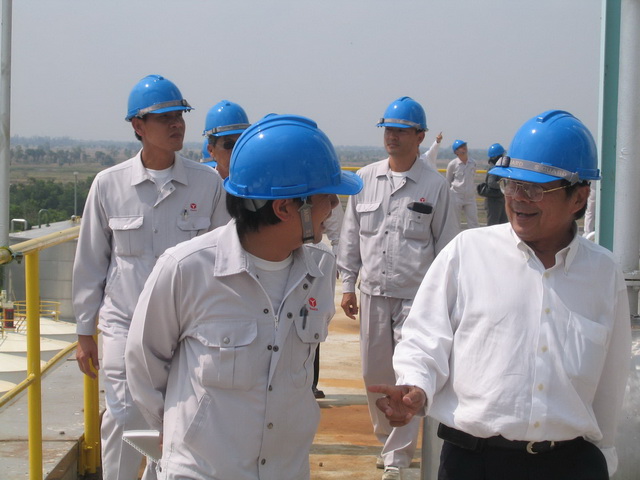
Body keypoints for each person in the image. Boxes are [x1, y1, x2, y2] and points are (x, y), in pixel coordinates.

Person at [371, 110, 631, 480]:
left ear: (578, 198)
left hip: (571, 463)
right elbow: (424, 339)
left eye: (535, 189)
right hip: (475, 462)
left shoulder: (603, 273)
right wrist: (415, 387)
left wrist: (603, 457)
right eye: (512, 185)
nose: (518, 199)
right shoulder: (468, 253)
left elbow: (610, 380)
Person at [125, 113, 363, 479]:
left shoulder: (319, 270)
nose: (333, 205)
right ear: (285, 208)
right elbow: (144, 363)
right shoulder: (188, 269)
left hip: (285, 471)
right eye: (326, 196)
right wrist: (179, 432)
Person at [72, 74, 231, 480]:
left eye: (180, 115)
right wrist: (85, 331)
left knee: (182, 421)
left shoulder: (207, 184)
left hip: (186, 330)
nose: (177, 124)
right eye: (165, 118)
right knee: (125, 420)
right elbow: (91, 261)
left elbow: (222, 258)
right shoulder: (109, 185)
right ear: (138, 126)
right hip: (124, 325)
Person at [337, 96, 460, 480]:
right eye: (388, 129)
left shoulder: (434, 187)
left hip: (416, 299)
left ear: (420, 136)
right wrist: (347, 284)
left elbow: (447, 248)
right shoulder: (365, 180)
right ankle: (387, 439)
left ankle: (397, 458)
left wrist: (445, 302)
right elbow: (351, 236)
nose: (392, 136)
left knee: (407, 375)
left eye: (401, 131)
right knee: (374, 375)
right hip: (373, 293)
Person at [312, 200, 345, 399]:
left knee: (311, 320)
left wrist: (338, 263)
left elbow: (339, 233)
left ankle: (309, 382)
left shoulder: (323, 191)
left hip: (313, 261)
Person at [202, 99, 250, 179]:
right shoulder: (205, 185)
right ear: (211, 150)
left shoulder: (259, 182)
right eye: (229, 145)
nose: (236, 150)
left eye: (241, 144)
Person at [446, 139, 479, 228]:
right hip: (456, 196)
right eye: (461, 147)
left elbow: (472, 178)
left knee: (474, 223)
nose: (464, 148)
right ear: (456, 152)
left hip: (470, 197)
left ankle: (473, 237)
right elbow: (448, 181)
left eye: (464, 146)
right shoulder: (452, 164)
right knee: (455, 223)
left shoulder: (473, 163)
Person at [481, 143, 508, 225]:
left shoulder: (497, 167)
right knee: (493, 225)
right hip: (493, 202)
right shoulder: (493, 169)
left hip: (499, 200)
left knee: (503, 225)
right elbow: (491, 183)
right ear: (498, 157)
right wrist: (503, 186)